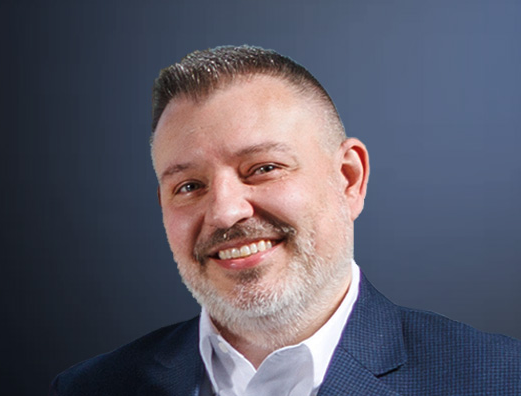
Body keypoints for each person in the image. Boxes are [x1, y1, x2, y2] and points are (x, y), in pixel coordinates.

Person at [49, 45, 520, 395]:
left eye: (263, 168)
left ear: (348, 178)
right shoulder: (86, 389)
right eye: (189, 186)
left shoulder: (498, 380)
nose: (226, 211)